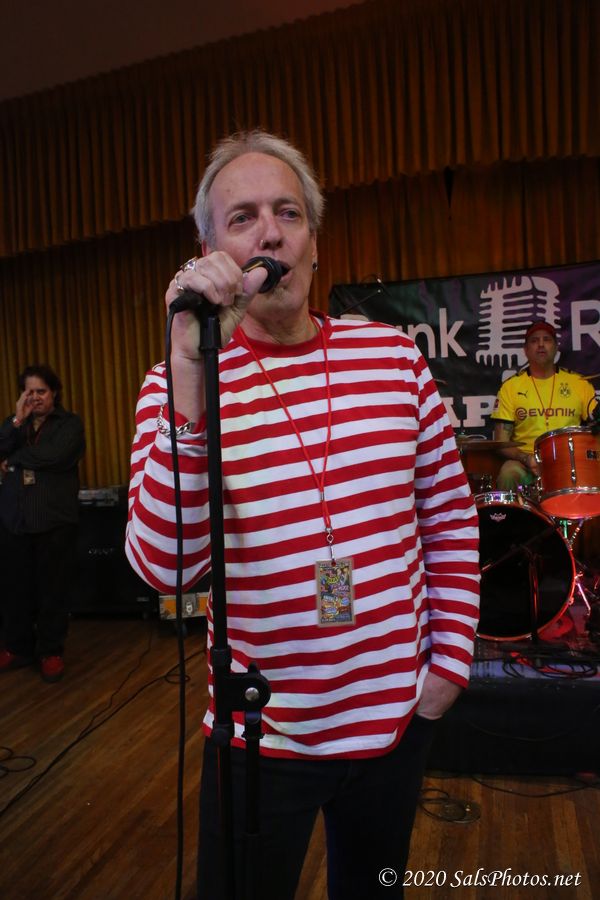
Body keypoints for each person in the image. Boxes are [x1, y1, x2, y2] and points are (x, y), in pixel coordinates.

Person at [125, 130, 480, 899]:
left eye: (288, 212)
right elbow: (168, 569)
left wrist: (448, 668)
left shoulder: (394, 359)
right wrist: (189, 371)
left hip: (394, 727)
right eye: (243, 217)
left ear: (314, 242)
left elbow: (450, 519)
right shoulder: (179, 382)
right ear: (210, 252)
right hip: (259, 739)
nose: (270, 233)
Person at [0, 364, 85, 682]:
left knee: (52, 591)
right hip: (15, 520)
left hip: (53, 520)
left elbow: (55, 456)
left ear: (54, 393)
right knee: (15, 589)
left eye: (41, 391)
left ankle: (50, 652)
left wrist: (13, 460)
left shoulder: (69, 424)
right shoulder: (15, 425)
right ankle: (17, 648)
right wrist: (17, 419)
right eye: (29, 392)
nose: (35, 397)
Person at [491, 321, 597, 491]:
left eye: (547, 339)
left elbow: (595, 431)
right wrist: (527, 459)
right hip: (526, 463)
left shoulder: (579, 384)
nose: (541, 344)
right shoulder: (510, 387)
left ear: (556, 347)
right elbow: (501, 442)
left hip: (570, 463)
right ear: (525, 350)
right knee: (509, 472)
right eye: (534, 340)